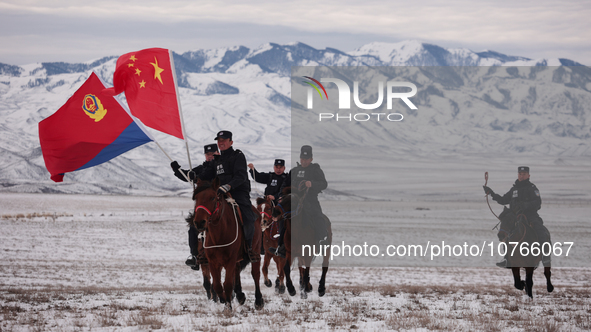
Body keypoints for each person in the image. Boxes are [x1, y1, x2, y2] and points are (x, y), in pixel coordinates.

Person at [198, 130, 259, 263]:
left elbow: (241, 176)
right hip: (220, 194)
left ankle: (249, 248)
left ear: (230, 142)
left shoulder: (238, 156)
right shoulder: (216, 159)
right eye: (219, 141)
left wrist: (228, 186)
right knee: (203, 215)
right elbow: (206, 175)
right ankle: (203, 250)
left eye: (224, 141)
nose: (221, 143)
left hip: (238, 193)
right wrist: (191, 176)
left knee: (248, 218)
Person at [483, 166, 551, 268]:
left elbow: (538, 202)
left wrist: (525, 205)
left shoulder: (532, 188)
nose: (521, 176)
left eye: (524, 174)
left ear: (528, 175)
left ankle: (545, 257)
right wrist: (491, 193)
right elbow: (503, 200)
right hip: (515, 217)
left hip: (530, 216)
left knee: (541, 231)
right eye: (520, 174)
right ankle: (507, 259)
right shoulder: (514, 189)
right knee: (506, 232)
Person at [270, 145, 329, 258]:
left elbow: (324, 184)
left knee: (318, 216)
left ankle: (321, 241)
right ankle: (281, 246)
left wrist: (312, 184)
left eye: (306, 159)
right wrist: (282, 196)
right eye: (302, 159)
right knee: (282, 217)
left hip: (310, 200)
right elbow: (284, 185)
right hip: (292, 201)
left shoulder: (316, 170)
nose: (304, 161)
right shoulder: (294, 171)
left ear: (311, 159)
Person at [170, 143, 219, 269]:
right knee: (193, 227)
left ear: (217, 153)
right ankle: (194, 255)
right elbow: (187, 175)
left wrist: (196, 177)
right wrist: (177, 169)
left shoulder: (221, 166)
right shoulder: (202, 168)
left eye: (213, 154)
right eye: (208, 154)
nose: (210, 156)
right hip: (203, 205)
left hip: (218, 203)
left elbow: (203, 175)